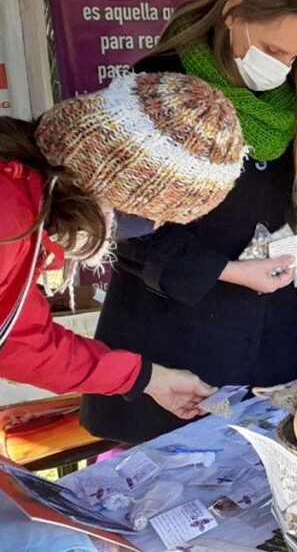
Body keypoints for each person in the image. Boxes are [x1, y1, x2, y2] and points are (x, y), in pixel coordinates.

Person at [80, 0, 297, 444]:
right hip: (173, 327)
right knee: (175, 477)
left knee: (275, 456)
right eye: (273, 50)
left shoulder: (286, 99)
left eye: (295, 58)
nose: (283, 67)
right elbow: (119, 226)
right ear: (233, 13)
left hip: (267, 327)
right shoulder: (159, 85)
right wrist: (225, 270)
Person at [0, 72, 248, 419]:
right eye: (154, 216)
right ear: (111, 190)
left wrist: (146, 378)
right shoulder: (8, 216)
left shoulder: (24, 206)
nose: (152, 227)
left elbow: (20, 343)